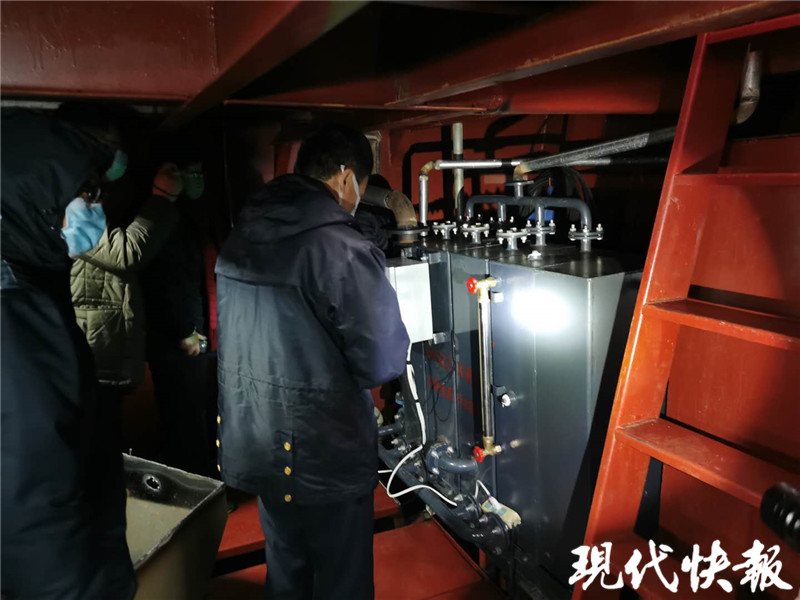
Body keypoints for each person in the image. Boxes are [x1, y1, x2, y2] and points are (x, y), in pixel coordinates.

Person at [215, 123, 410, 600]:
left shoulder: (243, 233)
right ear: (346, 178)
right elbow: (383, 361)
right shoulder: (343, 250)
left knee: (287, 570)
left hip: (259, 441)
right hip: (325, 452)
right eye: (361, 186)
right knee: (342, 581)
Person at [1, 105, 137, 599]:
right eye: (85, 194)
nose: (94, 208)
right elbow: (34, 501)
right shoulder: (15, 310)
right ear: (38, 194)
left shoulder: (31, 279)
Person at [70, 163, 182, 449]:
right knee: (96, 441)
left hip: (101, 341)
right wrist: (162, 198)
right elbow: (125, 252)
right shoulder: (68, 203)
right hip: (95, 347)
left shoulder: (94, 194)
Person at [141, 156, 215, 476]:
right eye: (189, 172)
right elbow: (168, 281)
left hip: (185, 334)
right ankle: (194, 487)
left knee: (188, 418)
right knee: (185, 421)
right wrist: (188, 330)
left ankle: (193, 481)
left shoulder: (190, 217)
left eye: (199, 172)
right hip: (179, 339)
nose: (194, 179)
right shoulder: (166, 220)